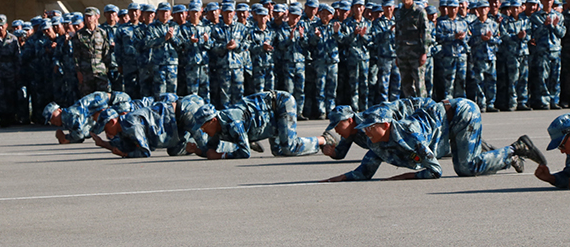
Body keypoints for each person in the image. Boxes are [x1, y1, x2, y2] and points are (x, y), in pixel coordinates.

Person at [323, 98, 542, 181]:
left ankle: (515, 149)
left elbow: (435, 170)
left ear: (386, 125)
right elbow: (364, 171)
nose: (367, 133)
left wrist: (407, 176)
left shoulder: (409, 133)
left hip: (460, 113)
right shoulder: (375, 140)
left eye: (370, 128)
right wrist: (339, 178)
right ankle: (504, 157)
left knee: (466, 167)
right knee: (462, 159)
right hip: (441, 127)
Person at [187, 91, 338, 159]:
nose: (202, 130)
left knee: (289, 147)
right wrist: (197, 150)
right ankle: (249, 138)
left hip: (280, 104)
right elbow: (210, 150)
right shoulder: (216, 127)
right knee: (279, 152)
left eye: (203, 126)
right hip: (269, 118)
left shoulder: (233, 122)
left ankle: (324, 139)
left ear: (213, 120)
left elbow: (245, 153)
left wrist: (221, 156)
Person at [43, 91, 132, 144]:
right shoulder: (68, 118)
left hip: (119, 101)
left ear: (59, 110)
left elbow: (79, 134)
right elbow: (81, 135)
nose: (53, 121)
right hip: (119, 99)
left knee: (118, 129)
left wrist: (65, 138)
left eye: (52, 117)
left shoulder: (69, 115)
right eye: (50, 121)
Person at [394, 0, 430, 98]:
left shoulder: (419, 12)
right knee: (406, 85)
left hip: (416, 54)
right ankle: (410, 107)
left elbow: (426, 33)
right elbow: (397, 34)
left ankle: (423, 107)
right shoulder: (398, 12)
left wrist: (424, 53)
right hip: (402, 54)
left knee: (419, 85)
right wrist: (397, 54)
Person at [72, 7, 112, 96]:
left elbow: (106, 52)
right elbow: (76, 55)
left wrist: (106, 68)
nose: (88, 18)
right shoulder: (79, 35)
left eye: (90, 16)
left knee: (103, 96)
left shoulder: (102, 33)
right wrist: (79, 72)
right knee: (87, 97)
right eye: (86, 16)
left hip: (100, 70)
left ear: (96, 17)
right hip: (86, 71)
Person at [0, 14, 20, 127]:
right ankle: (2, 117)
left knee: (11, 94)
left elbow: (17, 57)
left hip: (10, 72)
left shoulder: (13, 39)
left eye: (2, 25)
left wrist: (17, 73)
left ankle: (11, 117)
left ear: (6, 25)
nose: (0, 28)